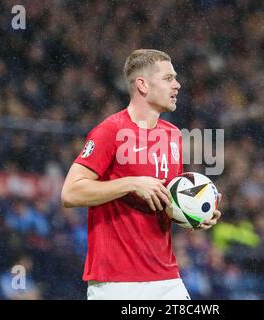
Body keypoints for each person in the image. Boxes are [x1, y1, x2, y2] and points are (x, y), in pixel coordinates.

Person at [61, 49, 222, 300]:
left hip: (166, 278)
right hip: (116, 282)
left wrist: (191, 213)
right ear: (143, 85)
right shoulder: (110, 130)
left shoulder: (172, 136)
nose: (177, 85)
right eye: (168, 78)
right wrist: (131, 183)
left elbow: (163, 202)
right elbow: (70, 192)